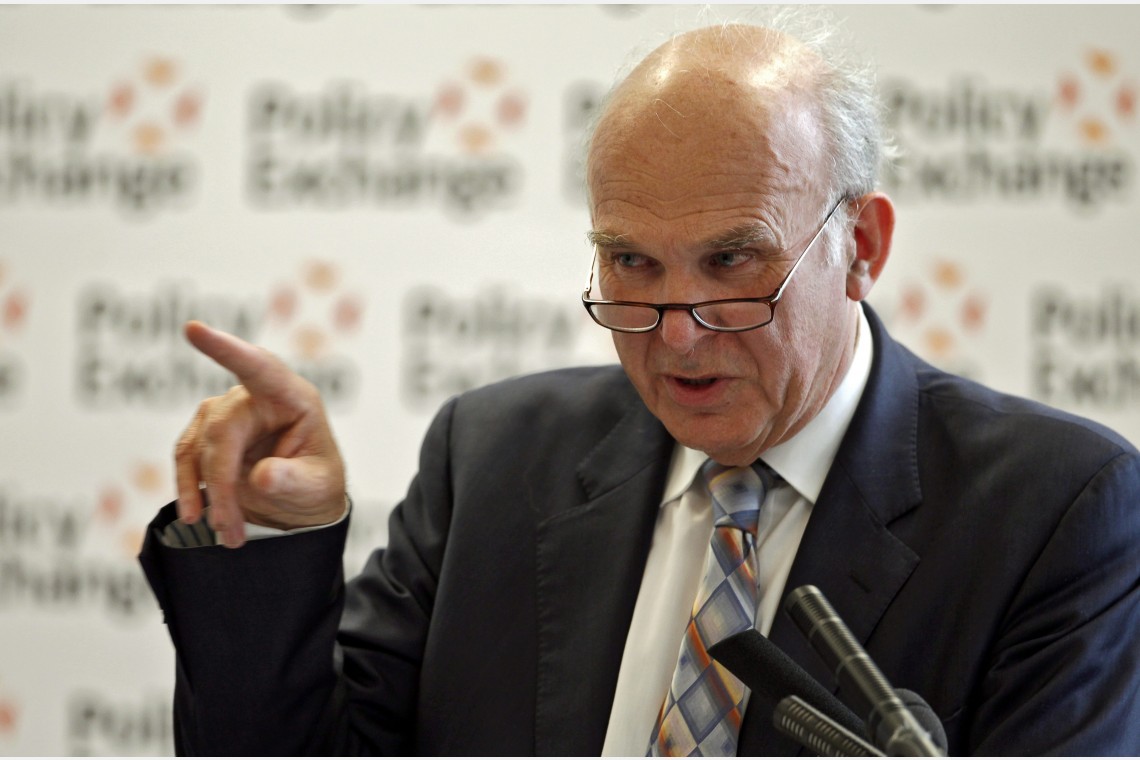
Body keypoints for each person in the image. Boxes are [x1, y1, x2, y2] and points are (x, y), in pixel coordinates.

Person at [139, 13, 1140, 757]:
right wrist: (276, 540)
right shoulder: (492, 461)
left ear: (861, 246)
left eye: (732, 263)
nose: (678, 331)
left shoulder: (1055, 511)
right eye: (631, 265)